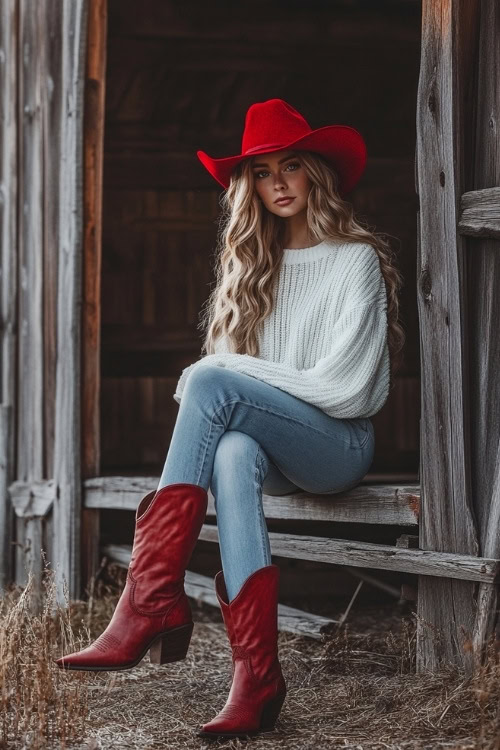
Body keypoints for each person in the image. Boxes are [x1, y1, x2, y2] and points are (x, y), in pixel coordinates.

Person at [55, 98, 405, 739]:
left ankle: (149, 599)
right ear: (249, 187)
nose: (278, 183)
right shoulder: (251, 269)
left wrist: (230, 376)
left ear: (314, 174)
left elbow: (346, 389)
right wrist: (230, 378)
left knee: (216, 379)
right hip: (271, 455)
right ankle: (256, 675)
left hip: (337, 446)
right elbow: (235, 399)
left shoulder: (352, 260)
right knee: (233, 450)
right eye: (263, 172)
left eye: (291, 166)